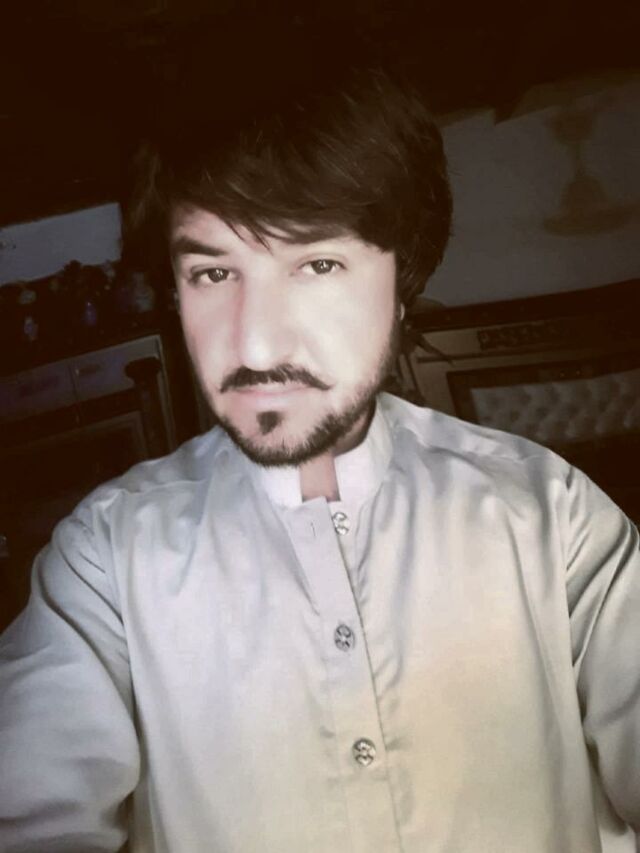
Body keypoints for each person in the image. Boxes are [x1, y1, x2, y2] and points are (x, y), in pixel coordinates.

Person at [1, 59, 639, 853]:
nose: (255, 343)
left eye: (318, 264)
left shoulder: (551, 515)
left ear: (402, 283)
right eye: (212, 272)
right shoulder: (104, 562)